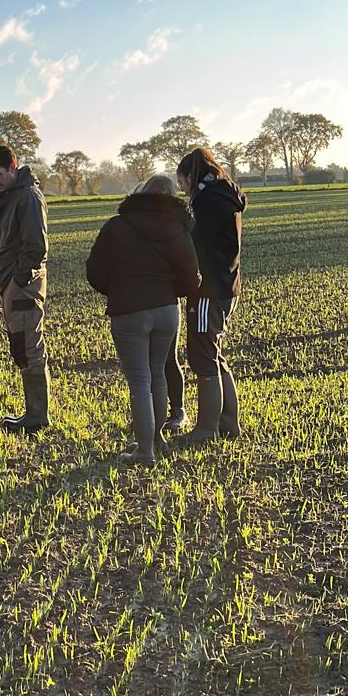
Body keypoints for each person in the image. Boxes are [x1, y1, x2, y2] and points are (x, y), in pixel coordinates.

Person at [86, 176, 201, 465]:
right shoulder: (178, 228)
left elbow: (94, 271)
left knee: (139, 380)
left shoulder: (117, 225)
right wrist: (168, 291)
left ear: (139, 194)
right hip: (166, 309)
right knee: (158, 374)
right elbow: (191, 277)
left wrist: (117, 290)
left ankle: (145, 451)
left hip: (128, 310)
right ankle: (158, 439)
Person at [175, 147, 246, 443]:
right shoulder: (225, 194)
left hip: (209, 290)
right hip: (227, 286)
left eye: (182, 183)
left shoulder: (208, 202)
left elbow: (195, 246)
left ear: (191, 176)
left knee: (203, 357)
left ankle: (207, 429)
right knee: (214, 356)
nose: (183, 190)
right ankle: (228, 421)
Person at [0, 144, 51, 433]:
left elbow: (36, 247)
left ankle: (37, 416)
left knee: (29, 347)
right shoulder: (11, 193)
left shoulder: (27, 196)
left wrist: (18, 281)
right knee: (20, 346)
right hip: (11, 279)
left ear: (14, 166)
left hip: (22, 283)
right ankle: (32, 412)